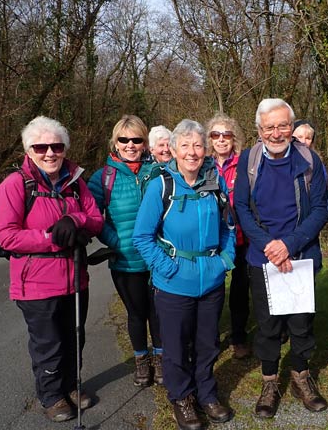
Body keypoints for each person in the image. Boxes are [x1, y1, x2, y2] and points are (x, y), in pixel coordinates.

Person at [0, 116, 104, 422]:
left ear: (65, 148)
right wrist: (52, 237)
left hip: (75, 277)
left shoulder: (76, 182)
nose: (50, 153)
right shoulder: (14, 185)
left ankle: (70, 385)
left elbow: (95, 218)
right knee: (49, 343)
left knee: (74, 337)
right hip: (36, 283)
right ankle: (52, 394)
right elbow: (7, 235)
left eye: (56, 146)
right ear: (29, 151)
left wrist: (76, 221)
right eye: (41, 147)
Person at [133, 119, 236, 430]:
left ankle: (206, 393)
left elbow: (228, 227)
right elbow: (142, 237)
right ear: (174, 149)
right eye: (186, 145)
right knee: (176, 347)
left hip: (212, 282)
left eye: (198, 145)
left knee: (207, 344)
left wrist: (225, 261)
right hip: (174, 284)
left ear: (205, 151)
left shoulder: (214, 183)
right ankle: (181, 397)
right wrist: (168, 268)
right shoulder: (161, 186)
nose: (192, 152)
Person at [234, 98, 328, 418]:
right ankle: (270, 381)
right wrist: (269, 247)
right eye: (270, 127)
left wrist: (289, 244)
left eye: (283, 125)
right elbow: (242, 209)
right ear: (259, 130)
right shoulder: (249, 160)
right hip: (262, 259)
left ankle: (301, 376)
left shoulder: (309, 159)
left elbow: (320, 209)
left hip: (300, 256)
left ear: (292, 126)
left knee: (301, 325)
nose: (277, 133)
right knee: (268, 325)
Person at [87, 115, 163, 387]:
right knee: (136, 312)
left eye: (136, 139)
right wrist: (115, 242)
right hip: (125, 260)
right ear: (115, 142)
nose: (130, 145)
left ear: (145, 143)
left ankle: (160, 358)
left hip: (156, 258)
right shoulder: (102, 177)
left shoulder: (156, 172)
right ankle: (141, 360)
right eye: (124, 139)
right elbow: (91, 216)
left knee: (158, 312)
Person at [205, 112, 251, 359]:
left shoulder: (245, 164)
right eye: (216, 134)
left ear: (234, 139)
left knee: (240, 290)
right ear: (209, 138)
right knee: (213, 289)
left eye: (226, 135)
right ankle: (210, 336)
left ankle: (239, 335)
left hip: (243, 238)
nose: (221, 139)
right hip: (214, 239)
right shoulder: (203, 165)